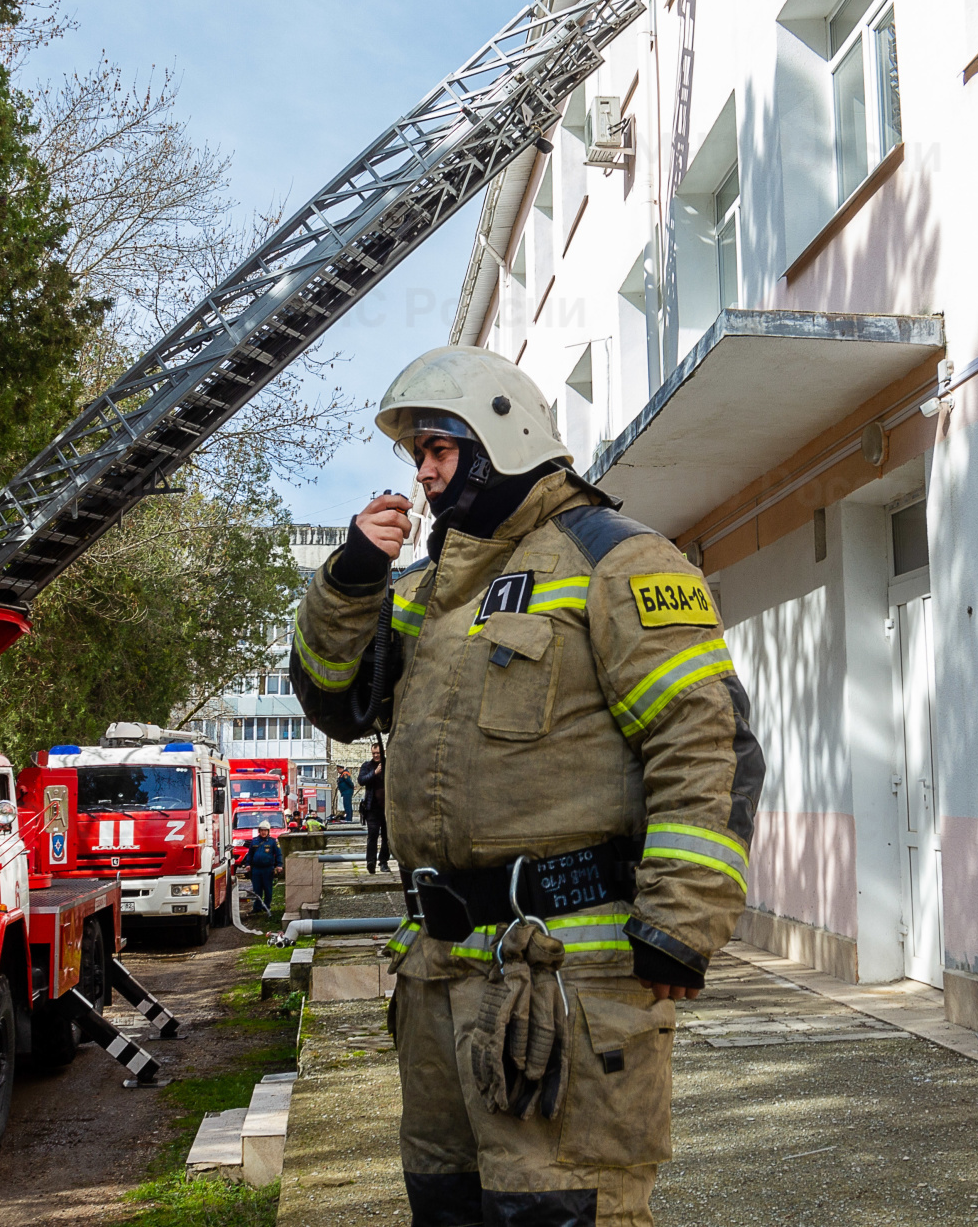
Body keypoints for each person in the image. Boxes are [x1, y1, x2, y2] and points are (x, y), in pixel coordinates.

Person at [290, 346, 763, 1227]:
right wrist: (348, 580)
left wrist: (680, 925)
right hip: (437, 977)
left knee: (558, 1211)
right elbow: (334, 699)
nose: (424, 473)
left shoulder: (620, 561)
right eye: (418, 455)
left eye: (439, 447)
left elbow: (707, 743)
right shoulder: (431, 590)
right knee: (448, 1206)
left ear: (503, 433)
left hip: (565, 981)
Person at [357, 743, 390, 874]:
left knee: (386, 837)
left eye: (378, 753)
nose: (376, 755)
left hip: (387, 808)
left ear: (383, 752)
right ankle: (371, 862)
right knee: (372, 836)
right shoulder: (367, 766)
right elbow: (361, 780)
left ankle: (383, 862)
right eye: (374, 753)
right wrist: (375, 773)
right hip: (372, 808)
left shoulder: (389, 765)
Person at [242, 821, 284, 918]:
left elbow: (278, 854)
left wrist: (279, 865)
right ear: (259, 831)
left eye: (265, 830)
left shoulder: (273, 842)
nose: (263, 832)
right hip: (256, 869)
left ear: (268, 831)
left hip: (268, 869)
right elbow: (250, 854)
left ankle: (266, 906)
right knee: (257, 889)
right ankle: (257, 908)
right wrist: (248, 864)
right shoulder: (254, 841)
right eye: (262, 830)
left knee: (268, 889)